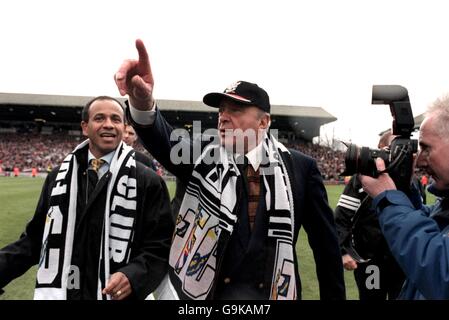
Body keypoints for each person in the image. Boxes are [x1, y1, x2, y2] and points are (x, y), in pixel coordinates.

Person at [114, 39, 345, 300]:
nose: (223, 116)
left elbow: (326, 249)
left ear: (264, 122)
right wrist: (142, 102)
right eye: (222, 110)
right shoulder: (201, 154)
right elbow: (163, 138)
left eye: (235, 109)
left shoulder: (300, 167)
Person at [0, 96, 175, 300]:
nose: (108, 124)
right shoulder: (58, 178)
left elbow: (160, 246)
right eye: (99, 118)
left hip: (117, 295)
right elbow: (34, 240)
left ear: (123, 126)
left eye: (116, 119)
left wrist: (133, 275)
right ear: (85, 127)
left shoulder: (147, 180)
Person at [360, 95, 449, 299]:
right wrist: (403, 190)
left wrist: (388, 199)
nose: (419, 163)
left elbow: (441, 272)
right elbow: (429, 226)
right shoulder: (445, 204)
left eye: (426, 148)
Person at [334, 130, 405, 300]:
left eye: (403, 149)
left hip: (403, 261)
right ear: (380, 149)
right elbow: (341, 217)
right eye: (393, 148)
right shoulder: (363, 178)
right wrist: (344, 251)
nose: (399, 154)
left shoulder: (411, 181)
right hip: (372, 262)